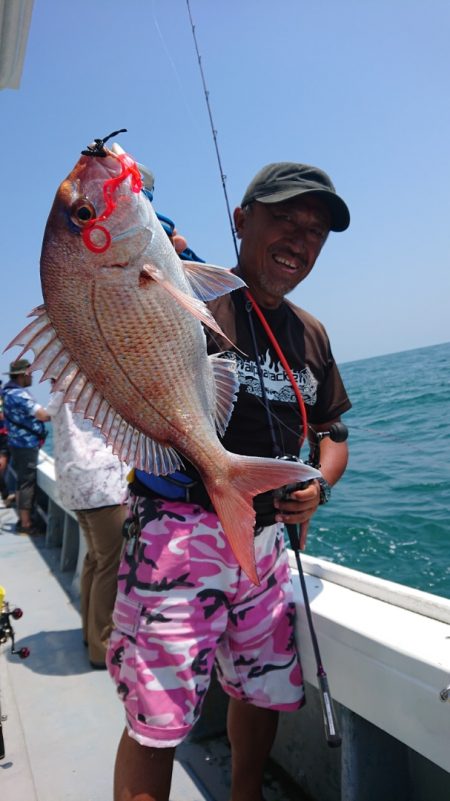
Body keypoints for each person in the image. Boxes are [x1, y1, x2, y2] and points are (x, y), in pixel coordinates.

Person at [107, 162, 352, 801]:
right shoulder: (186, 298)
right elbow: (125, 263)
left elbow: (332, 433)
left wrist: (318, 487)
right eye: (283, 218)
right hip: (175, 534)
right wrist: (131, 199)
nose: (299, 238)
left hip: (266, 545)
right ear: (241, 220)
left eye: (316, 230)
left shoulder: (311, 334)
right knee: (155, 722)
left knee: (262, 690)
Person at [48, 391, 129, 668]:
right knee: (110, 566)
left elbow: (45, 414)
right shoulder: (96, 382)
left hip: (76, 484)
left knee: (95, 560)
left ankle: (89, 634)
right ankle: (101, 647)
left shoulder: (61, 387)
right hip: (103, 484)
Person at [2, 358, 50, 534]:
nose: (32, 377)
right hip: (25, 445)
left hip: (16, 444)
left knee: (22, 481)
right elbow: (43, 415)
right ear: (22, 375)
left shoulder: (8, 392)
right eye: (30, 374)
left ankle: (24, 520)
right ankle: (26, 524)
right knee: (26, 483)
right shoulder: (20, 395)